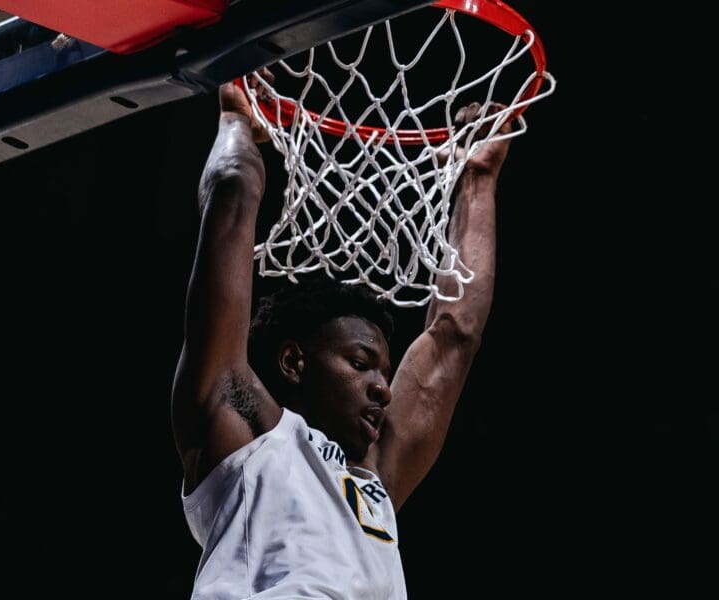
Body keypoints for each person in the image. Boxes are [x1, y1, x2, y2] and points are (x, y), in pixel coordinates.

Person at [171, 72, 512, 599]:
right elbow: (232, 200)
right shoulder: (242, 432)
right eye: (360, 362)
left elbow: (454, 336)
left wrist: (478, 180)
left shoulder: (373, 479)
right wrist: (237, 121)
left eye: (382, 369)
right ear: (293, 362)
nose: (384, 386)